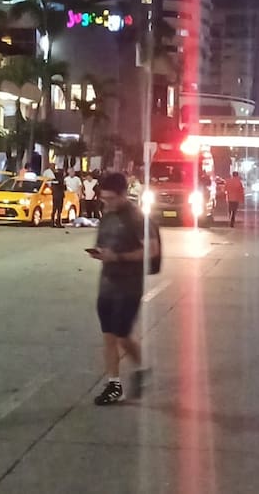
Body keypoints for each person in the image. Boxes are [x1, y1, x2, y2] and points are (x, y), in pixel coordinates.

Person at [88, 172, 159, 405]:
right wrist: (101, 253)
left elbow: (152, 250)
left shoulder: (137, 218)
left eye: (110, 198)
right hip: (107, 284)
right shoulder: (107, 216)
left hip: (129, 287)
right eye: (104, 198)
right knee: (109, 335)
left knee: (122, 336)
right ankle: (114, 384)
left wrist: (118, 257)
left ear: (123, 194)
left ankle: (141, 367)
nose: (106, 203)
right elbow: (104, 243)